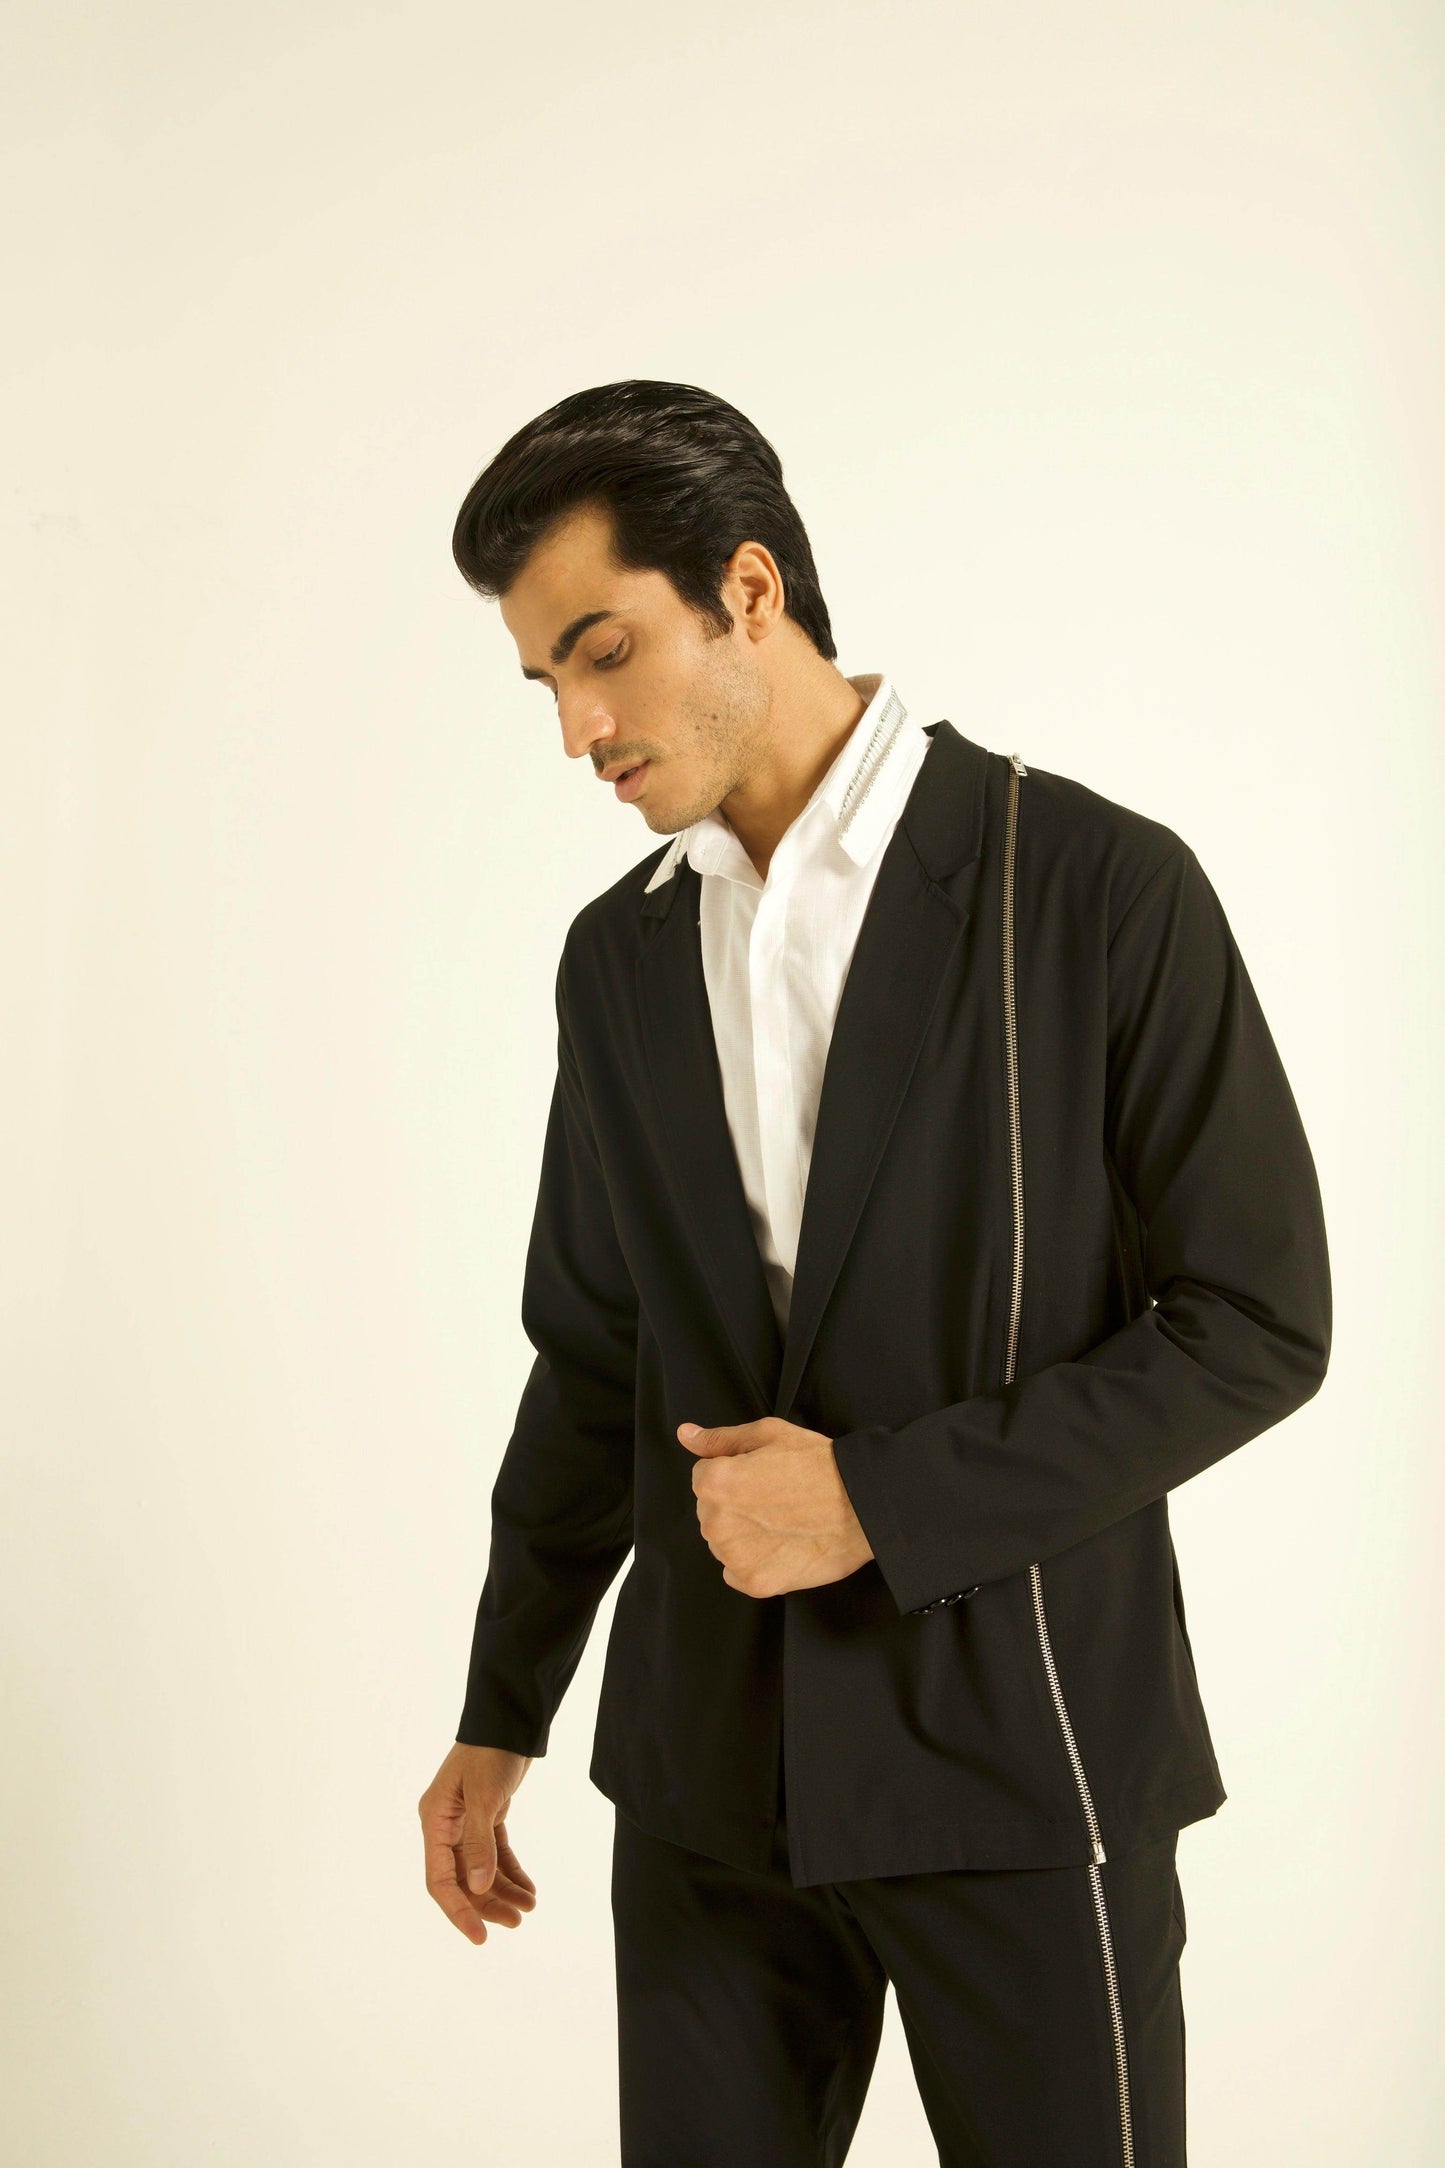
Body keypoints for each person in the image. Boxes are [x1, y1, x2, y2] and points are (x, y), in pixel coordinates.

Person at [417, 379, 1331, 2165]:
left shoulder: (1091, 888)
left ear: (748, 590)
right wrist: (500, 1705)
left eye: (603, 652)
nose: (578, 728)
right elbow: (592, 1356)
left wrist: (879, 1503)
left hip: (1024, 1758)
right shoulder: (617, 959)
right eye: (544, 683)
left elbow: (1255, 1322)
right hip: (702, 1786)